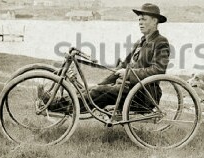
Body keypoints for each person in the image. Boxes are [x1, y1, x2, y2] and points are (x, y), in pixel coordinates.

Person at [38, 3, 170, 114]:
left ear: (155, 21)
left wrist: (127, 74)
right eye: (139, 20)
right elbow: (122, 66)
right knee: (92, 89)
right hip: (128, 89)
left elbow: (158, 70)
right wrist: (103, 83)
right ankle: (54, 102)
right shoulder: (140, 42)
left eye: (144, 19)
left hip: (144, 95)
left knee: (98, 92)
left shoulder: (161, 42)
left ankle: (53, 106)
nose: (140, 22)